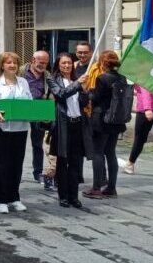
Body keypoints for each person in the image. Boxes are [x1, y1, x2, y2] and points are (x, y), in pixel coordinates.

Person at [0, 52, 32, 214]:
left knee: (16, 165)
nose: (12, 65)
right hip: (0, 129)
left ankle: (14, 198)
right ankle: (1, 199)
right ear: (2, 65)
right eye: (8, 62)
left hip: (20, 129)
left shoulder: (24, 82)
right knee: (1, 165)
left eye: (15, 63)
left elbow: (30, 102)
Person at [47, 53, 89, 208]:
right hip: (63, 125)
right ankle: (63, 196)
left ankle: (74, 196)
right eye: (64, 63)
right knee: (62, 162)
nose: (67, 66)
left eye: (69, 63)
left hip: (78, 124)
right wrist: (78, 84)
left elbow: (84, 103)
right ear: (58, 64)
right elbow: (61, 94)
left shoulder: (77, 79)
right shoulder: (52, 79)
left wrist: (84, 90)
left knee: (76, 163)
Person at [84, 50, 126, 200]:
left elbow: (95, 98)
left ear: (102, 62)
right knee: (111, 153)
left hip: (101, 119)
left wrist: (88, 91)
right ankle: (111, 187)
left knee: (97, 152)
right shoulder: (122, 78)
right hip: (116, 120)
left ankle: (96, 188)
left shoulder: (102, 78)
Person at [23, 50, 50, 185]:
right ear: (33, 60)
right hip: (22, 107)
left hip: (39, 108)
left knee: (37, 143)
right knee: (18, 142)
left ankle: (37, 172)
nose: (43, 65)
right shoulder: (21, 71)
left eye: (45, 63)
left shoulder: (47, 75)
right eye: (41, 62)